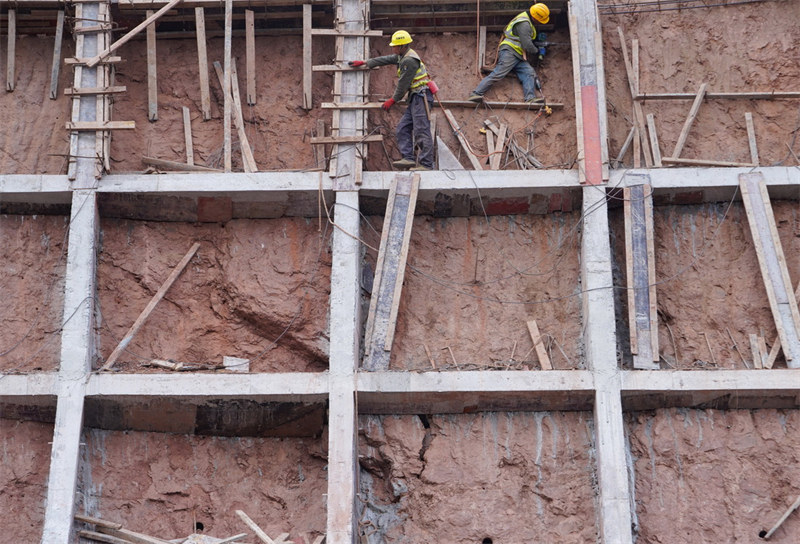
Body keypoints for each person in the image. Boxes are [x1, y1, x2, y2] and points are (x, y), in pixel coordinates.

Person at [349, 30, 435, 171]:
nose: (393, 48)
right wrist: (366, 62)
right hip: (415, 98)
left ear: (402, 46)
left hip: (421, 96)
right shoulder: (403, 55)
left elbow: (403, 85)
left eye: (395, 46)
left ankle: (426, 165)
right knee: (402, 128)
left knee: (421, 130)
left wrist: (393, 100)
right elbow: (387, 59)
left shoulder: (409, 60)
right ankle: (408, 158)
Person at [468, 3, 550, 104]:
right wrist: (537, 50)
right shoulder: (524, 24)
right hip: (510, 52)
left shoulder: (527, 21)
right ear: (535, 16)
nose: (541, 23)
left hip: (518, 54)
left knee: (529, 72)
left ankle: (530, 98)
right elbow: (527, 44)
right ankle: (476, 93)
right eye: (540, 20)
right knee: (499, 73)